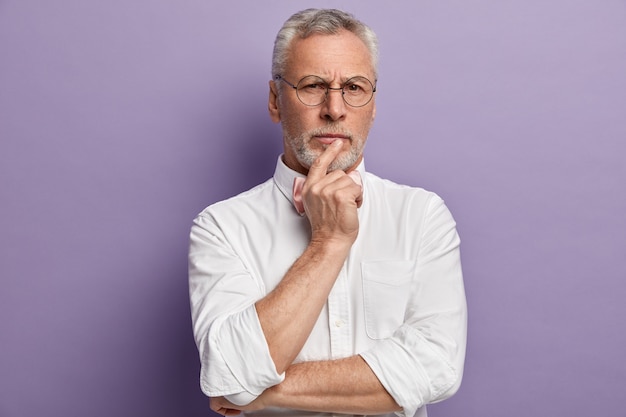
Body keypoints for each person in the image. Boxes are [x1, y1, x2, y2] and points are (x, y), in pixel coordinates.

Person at [188, 8, 467, 417]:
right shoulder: (221, 227)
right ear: (274, 101)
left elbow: (437, 367)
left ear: (372, 105)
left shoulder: (422, 216)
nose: (334, 109)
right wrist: (329, 242)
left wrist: (262, 391)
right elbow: (230, 369)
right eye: (313, 85)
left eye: (354, 87)